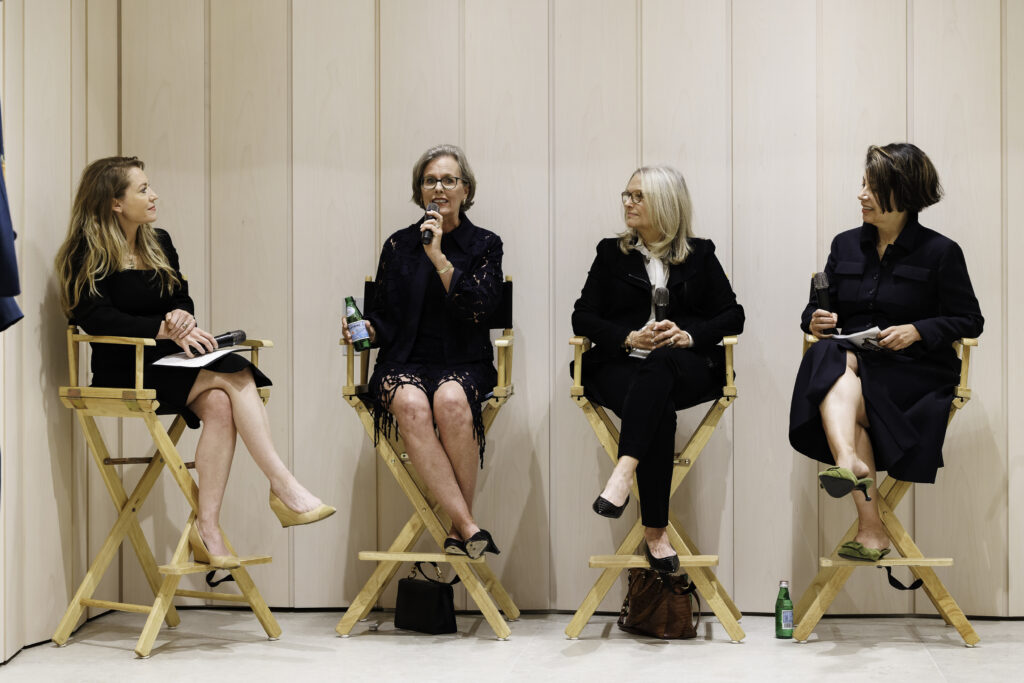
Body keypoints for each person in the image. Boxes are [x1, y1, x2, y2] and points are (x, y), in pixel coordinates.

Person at [55, 156, 335, 569]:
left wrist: (182, 316)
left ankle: (209, 529)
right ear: (115, 203)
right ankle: (282, 485)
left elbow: (179, 296)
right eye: (143, 189)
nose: (154, 196)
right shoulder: (86, 251)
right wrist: (161, 328)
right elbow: (93, 317)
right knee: (237, 370)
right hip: (124, 367)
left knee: (222, 403)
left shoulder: (158, 241)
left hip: (171, 362)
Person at [789, 143, 983, 562]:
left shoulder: (941, 252)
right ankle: (853, 477)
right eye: (862, 184)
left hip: (913, 372)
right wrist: (814, 320)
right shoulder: (844, 246)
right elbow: (815, 308)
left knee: (835, 370)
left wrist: (918, 330)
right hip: (853, 362)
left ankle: (864, 507)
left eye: (872, 187)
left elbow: (970, 320)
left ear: (905, 192)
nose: (861, 194)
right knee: (826, 353)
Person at [572, 165, 744, 574]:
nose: (627, 203)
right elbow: (583, 318)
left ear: (665, 203)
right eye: (626, 195)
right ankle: (655, 533)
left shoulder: (700, 254)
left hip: (684, 365)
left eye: (638, 196)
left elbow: (733, 316)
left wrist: (687, 335)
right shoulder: (610, 253)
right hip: (619, 365)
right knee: (657, 407)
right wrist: (630, 338)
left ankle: (622, 475)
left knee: (663, 364)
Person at [341, 144, 504, 560]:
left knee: (451, 401)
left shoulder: (485, 244)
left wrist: (438, 256)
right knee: (412, 406)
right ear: (419, 190)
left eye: (449, 180)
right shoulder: (399, 244)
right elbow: (384, 316)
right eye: (430, 180)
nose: (439, 188)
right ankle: (467, 527)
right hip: (404, 361)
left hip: (464, 360)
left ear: (465, 189)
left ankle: (455, 525)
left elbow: (479, 310)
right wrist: (364, 329)